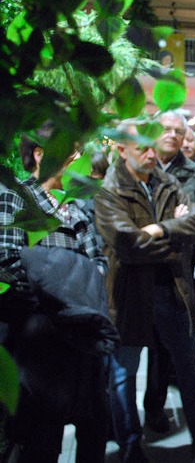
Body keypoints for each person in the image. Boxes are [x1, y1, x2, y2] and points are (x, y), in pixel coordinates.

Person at [94, 119, 195, 461]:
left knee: (189, 369)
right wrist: (173, 241)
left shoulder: (166, 181)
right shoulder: (109, 193)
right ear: (121, 150)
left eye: (152, 146)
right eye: (142, 148)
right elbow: (127, 245)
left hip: (170, 290)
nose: (152, 154)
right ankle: (131, 445)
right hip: (128, 294)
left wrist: (160, 229)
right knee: (123, 376)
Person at [0, 130, 116, 462]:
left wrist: (59, 275)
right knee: (42, 440)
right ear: (40, 155)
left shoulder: (75, 207)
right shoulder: (15, 198)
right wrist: (69, 293)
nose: (79, 161)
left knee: (94, 430)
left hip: (84, 342)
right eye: (72, 153)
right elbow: (9, 266)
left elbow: (98, 262)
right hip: (40, 347)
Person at [143, 110, 195, 434]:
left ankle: (161, 412)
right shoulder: (137, 168)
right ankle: (123, 424)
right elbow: (132, 227)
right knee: (130, 357)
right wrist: (175, 222)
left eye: (177, 130)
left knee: (176, 351)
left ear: (185, 137)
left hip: (179, 275)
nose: (171, 134)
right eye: (165, 129)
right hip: (136, 274)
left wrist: (165, 228)